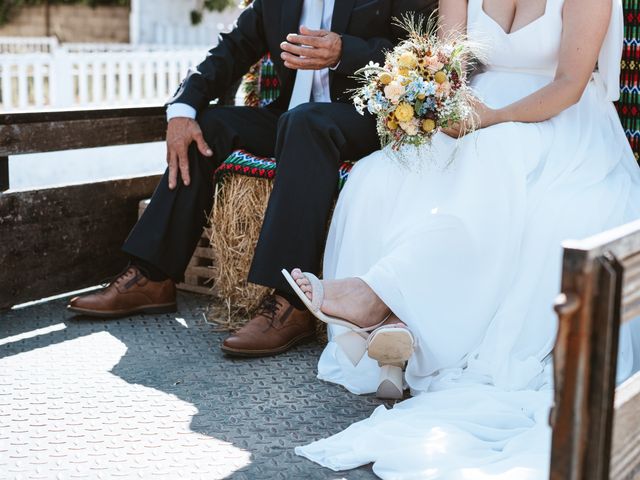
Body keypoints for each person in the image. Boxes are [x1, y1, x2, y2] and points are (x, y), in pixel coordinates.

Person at [285, 0, 640, 477]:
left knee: (495, 161)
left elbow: (570, 86)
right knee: (378, 176)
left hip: (557, 121)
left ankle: (376, 299)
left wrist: (493, 119)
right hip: (474, 114)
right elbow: (451, 67)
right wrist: (428, 103)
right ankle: (400, 324)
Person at [66, 0, 437, 357]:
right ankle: (153, 276)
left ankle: (292, 301)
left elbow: (418, 51)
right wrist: (182, 108)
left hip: (369, 118)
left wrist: (345, 52)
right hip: (292, 120)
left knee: (305, 123)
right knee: (209, 127)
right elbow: (232, 48)